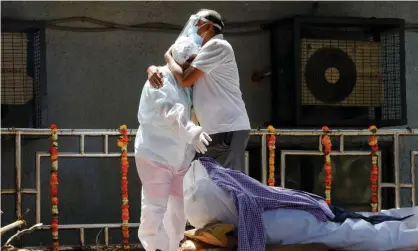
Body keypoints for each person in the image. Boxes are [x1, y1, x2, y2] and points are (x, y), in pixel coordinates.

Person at [183, 158, 418, 251]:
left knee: (363, 232)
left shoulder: (249, 212)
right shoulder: (230, 193)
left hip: (298, 220)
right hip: (298, 220)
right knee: (365, 228)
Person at [146, 9, 251, 172]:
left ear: (208, 27)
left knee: (230, 186)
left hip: (227, 128)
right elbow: (174, 73)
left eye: (198, 24)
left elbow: (185, 79)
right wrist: (152, 69)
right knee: (206, 186)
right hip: (213, 131)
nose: (194, 27)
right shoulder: (204, 52)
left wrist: (168, 56)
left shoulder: (217, 45)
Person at [134, 37, 212, 251]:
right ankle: (155, 248)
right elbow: (170, 112)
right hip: (156, 154)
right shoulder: (161, 80)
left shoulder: (185, 84)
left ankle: (173, 246)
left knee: (178, 208)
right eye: (190, 64)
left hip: (180, 157)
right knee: (155, 206)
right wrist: (192, 131)